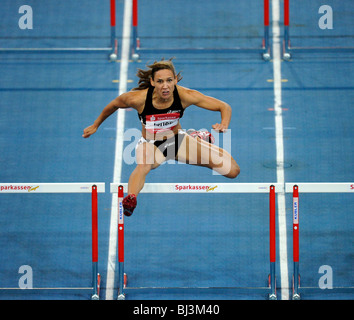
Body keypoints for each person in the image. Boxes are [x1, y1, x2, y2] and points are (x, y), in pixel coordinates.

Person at [83, 58, 240, 216]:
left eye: (169, 80)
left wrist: (224, 123)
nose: (165, 86)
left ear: (175, 80)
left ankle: (196, 138)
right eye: (160, 81)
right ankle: (131, 198)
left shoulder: (186, 95)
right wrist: (96, 124)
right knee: (144, 165)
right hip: (150, 145)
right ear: (152, 82)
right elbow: (114, 104)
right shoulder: (138, 99)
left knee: (232, 171)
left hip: (178, 141)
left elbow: (223, 106)